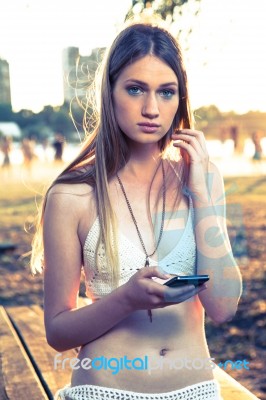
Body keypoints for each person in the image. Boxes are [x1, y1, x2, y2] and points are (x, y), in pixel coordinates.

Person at [31, 21, 242, 400]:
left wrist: (201, 194)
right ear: (109, 92)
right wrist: (126, 298)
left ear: (181, 99)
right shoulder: (71, 196)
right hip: (105, 391)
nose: (151, 109)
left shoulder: (203, 180)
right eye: (134, 89)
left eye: (166, 92)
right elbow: (58, 333)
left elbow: (224, 306)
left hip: (194, 390)